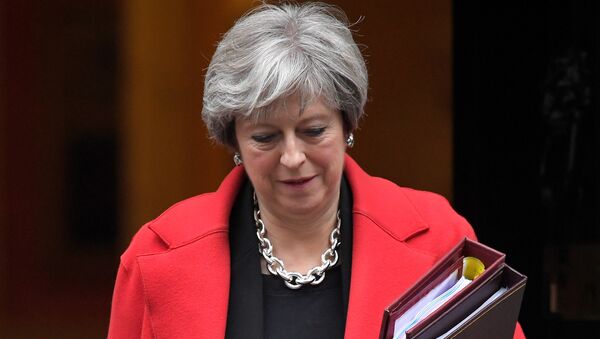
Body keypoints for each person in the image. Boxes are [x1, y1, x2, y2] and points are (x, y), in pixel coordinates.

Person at [107, 2, 526, 338]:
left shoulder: (439, 238)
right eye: (265, 137)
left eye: (312, 130)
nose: (292, 157)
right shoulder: (158, 253)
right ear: (233, 140)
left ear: (348, 123)